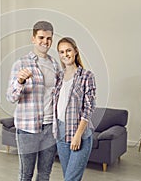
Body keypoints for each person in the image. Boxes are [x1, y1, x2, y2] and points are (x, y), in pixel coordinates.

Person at [6, 21, 60, 181]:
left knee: (45, 174)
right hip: (27, 127)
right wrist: (20, 82)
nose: (45, 42)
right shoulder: (21, 64)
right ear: (33, 39)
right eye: (41, 37)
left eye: (49, 38)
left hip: (51, 127)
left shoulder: (55, 64)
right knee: (26, 174)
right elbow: (10, 97)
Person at [53, 37, 96, 181]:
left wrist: (78, 135)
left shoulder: (86, 76)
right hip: (60, 133)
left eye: (68, 50)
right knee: (68, 177)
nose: (65, 54)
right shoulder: (58, 77)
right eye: (61, 52)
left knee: (70, 179)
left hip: (80, 134)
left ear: (76, 51)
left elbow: (89, 108)